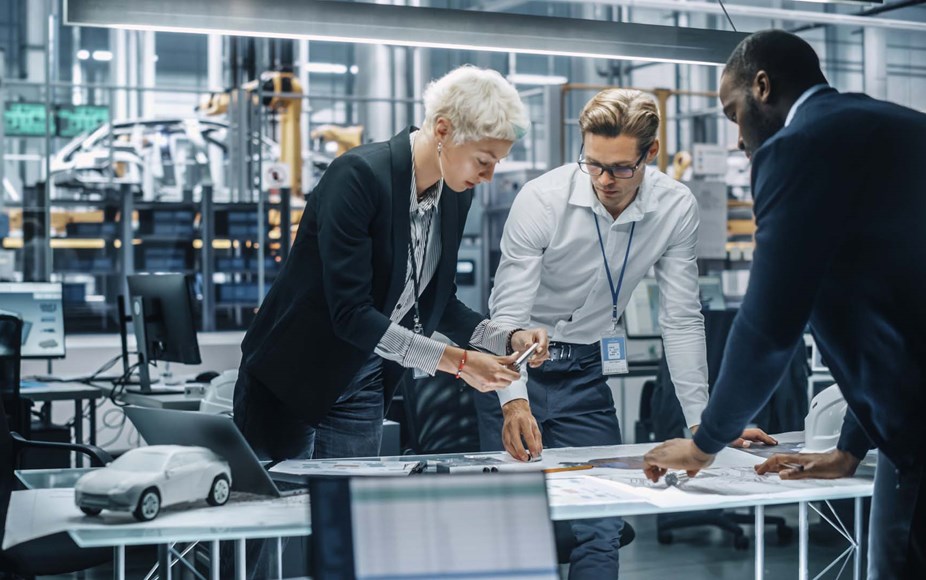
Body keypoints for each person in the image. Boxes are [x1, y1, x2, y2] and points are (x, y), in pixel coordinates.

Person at [642, 30, 926, 578]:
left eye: (734, 114)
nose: (739, 139)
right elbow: (897, 313)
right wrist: (850, 449)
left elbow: (769, 327)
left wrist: (704, 444)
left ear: (763, 87)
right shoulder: (903, 129)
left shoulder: (797, 148)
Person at [474, 88, 773, 579]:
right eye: (593, 164)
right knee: (515, 524)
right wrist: (513, 402)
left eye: (619, 168)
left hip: (585, 373)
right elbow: (506, 314)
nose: (604, 180)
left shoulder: (674, 207)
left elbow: (681, 318)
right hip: (514, 370)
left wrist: (703, 422)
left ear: (650, 153)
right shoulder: (542, 200)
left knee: (602, 521)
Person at [234, 64, 548, 465]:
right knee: (280, 499)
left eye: (497, 163)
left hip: (365, 377)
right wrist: (460, 363)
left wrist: (506, 339)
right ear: (443, 130)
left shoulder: (455, 194)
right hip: (292, 376)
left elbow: (438, 303)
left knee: (348, 501)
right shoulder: (359, 176)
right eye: (483, 160)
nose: (488, 176)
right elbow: (351, 314)